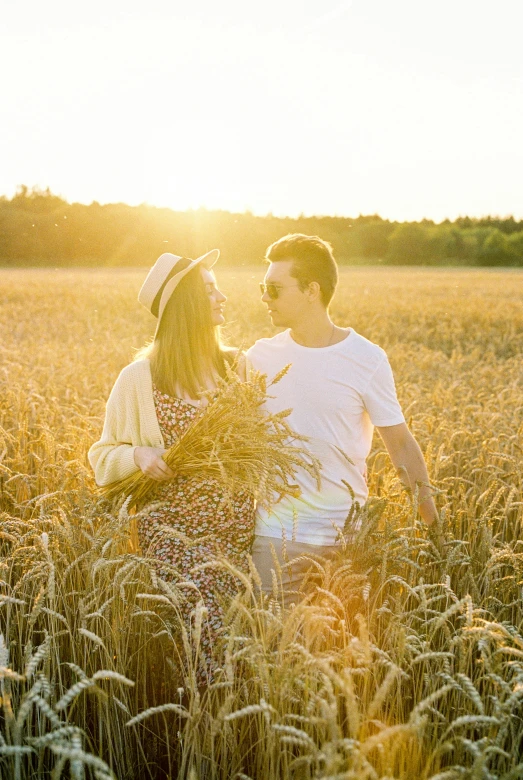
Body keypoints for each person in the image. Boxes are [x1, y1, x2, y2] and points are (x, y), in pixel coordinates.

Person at [88, 250, 255, 682]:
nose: (223, 296)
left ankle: (231, 726)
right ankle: (209, 726)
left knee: (249, 634)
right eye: (210, 289)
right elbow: (102, 455)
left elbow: (262, 443)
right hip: (173, 535)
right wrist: (138, 456)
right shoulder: (140, 378)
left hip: (239, 532)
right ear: (185, 305)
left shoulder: (236, 367)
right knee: (208, 627)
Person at [246, 233, 439, 603]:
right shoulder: (258, 357)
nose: (264, 297)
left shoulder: (366, 358)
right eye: (262, 287)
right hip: (274, 539)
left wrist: (435, 529)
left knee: (339, 653)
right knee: (270, 650)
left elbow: (399, 444)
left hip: (346, 542)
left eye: (273, 288)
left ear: (310, 290)